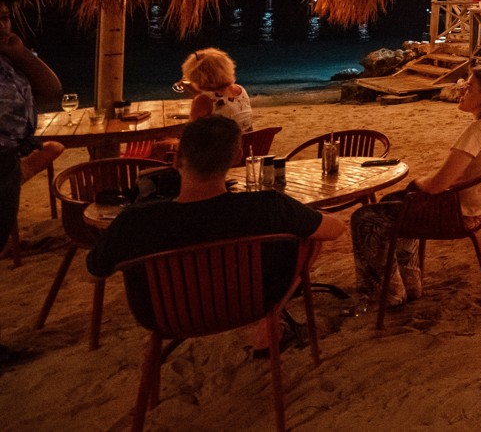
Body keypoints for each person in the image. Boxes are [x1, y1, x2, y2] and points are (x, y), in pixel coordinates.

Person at [86, 115, 346, 355]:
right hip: (250, 306)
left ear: (176, 159)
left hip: (164, 319)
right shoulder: (267, 206)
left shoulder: (134, 221)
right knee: (308, 236)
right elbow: (334, 230)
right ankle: (269, 325)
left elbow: (94, 272)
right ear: (236, 157)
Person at [351, 67, 481, 308]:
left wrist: (416, 183)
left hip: (457, 214)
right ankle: (408, 283)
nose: (462, 90)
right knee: (392, 201)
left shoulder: (480, 130)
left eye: (469, 87)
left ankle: (388, 293)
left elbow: (439, 184)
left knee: (364, 218)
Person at [0, 0, 64, 369]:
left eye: (4, 17)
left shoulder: (11, 58)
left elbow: (52, 89)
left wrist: (21, 53)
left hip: (7, 162)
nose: (1, 25)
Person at [180, 48, 255, 133]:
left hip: (222, 142)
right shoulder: (240, 90)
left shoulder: (203, 100)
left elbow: (192, 134)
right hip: (246, 140)